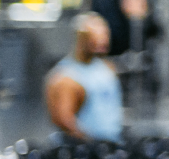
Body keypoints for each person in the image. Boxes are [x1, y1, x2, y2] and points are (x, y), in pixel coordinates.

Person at [45, 14, 124, 143]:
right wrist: (91, 144)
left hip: (112, 142)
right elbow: (64, 121)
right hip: (83, 146)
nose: (102, 40)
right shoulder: (65, 77)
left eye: (104, 34)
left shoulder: (107, 69)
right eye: (95, 35)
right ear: (81, 38)